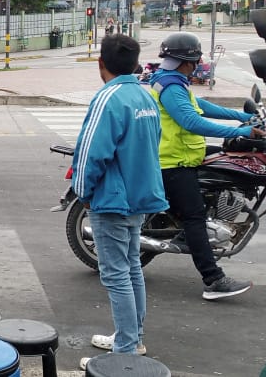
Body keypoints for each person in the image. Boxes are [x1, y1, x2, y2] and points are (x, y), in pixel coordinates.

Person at [72, 34, 167, 369]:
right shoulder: (144, 96)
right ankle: (132, 337)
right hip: (139, 197)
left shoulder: (109, 98)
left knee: (115, 274)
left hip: (112, 201)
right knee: (131, 268)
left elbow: (91, 152)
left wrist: (82, 193)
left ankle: (125, 349)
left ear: (102, 64)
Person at [148, 32, 265, 301]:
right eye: (197, 58)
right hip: (173, 161)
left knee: (230, 158)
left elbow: (199, 106)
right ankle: (213, 279)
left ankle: (212, 215)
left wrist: (241, 116)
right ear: (189, 61)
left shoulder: (172, 81)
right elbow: (192, 122)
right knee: (194, 216)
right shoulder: (172, 86)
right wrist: (242, 132)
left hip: (184, 154)